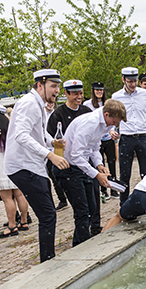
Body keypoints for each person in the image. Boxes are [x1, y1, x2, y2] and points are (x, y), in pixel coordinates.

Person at [5, 68, 69, 263]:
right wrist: (50, 154)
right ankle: (47, 262)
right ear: (40, 85)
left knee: (48, 214)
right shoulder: (30, 104)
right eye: (53, 86)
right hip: (24, 167)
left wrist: (53, 143)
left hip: (31, 166)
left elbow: (39, 133)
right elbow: (21, 135)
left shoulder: (37, 103)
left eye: (58, 86)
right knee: (48, 215)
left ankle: (48, 258)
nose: (57, 91)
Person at [53, 99, 126, 246]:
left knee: (92, 207)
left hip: (82, 166)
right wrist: (96, 175)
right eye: (113, 121)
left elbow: (94, 147)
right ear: (106, 114)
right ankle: (83, 245)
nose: (114, 125)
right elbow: (76, 155)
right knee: (82, 211)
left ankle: (80, 241)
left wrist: (99, 164)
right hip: (69, 168)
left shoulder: (104, 123)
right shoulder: (90, 124)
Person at [111, 67, 146, 203]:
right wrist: (111, 129)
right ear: (123, 80)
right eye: (130, 82)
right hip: (126, 138)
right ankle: (123, 203)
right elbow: (111, 116)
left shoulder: (145, 94)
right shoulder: (116, 96)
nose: (133, 84)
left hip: (144, 137)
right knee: (124, 173)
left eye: (135, 81)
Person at [0, 102, 31, 238]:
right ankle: (23, 221)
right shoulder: (12, 129)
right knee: (20, 195)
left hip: (0, 166)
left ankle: (11, 225)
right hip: (15, 164)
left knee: (7, 199)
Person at [47, 79, 92, 210]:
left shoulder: (86, 111)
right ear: (66, 94)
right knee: (81, 206)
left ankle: (95, 226)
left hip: (86, 160)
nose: (79, 97)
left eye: (81, 93)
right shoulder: (58, 114)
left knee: (93, 202)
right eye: (75, 94)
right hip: (69, 163)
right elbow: (50, 138)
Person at [84, 82, 119, 201]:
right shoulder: (87, 104)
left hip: (107, 137)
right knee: (99, 163)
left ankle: (114, 187)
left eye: (101, 90)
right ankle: (104, 189)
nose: (99, 92)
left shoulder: (108, 103)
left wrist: (112, 131)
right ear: (93, 91)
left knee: (112, 162)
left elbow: (112, 120)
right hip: (95, 139)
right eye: (97, 90)